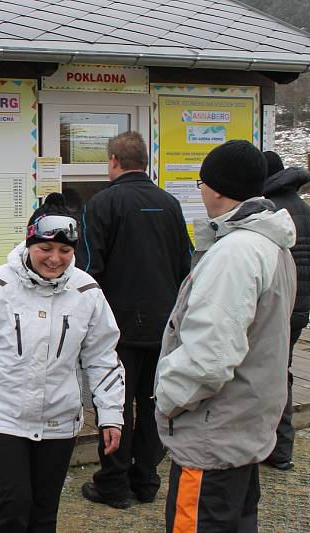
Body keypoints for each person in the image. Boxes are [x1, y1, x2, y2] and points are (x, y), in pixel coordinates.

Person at [0, 193, 125, 533]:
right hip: (2, 417)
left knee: (43, 512)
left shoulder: (87, 292)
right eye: (45, 250)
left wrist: (111, 414)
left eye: (65, 251)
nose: (55, 259)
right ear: (29, 243)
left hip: (59, 417)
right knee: (13, 504)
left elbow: (103, 357)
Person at [154, 140, 296, 532]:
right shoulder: (270, 244)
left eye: (201, 182)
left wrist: (167, 398)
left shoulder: (235, 253)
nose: (199, 190)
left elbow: (209, 357)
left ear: (216, 188)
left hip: (211, 437)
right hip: (242, 429)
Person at [77, 131, 192, 509]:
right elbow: (184, 265)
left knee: (115, 405)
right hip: (164, 326)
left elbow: (90, 269)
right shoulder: (170, 203)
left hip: (118, 327)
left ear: (113, 160)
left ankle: (113, 484)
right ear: (145, 161)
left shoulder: (102, 204)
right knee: (155, 402)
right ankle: (146, 480)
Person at [261, 150, 310, 471]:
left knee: (270, 374)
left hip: (277, 306)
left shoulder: (270, 211)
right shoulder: (304, 209)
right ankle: (282, 450)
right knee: (284, 371)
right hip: (300, 307)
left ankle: (272, 446)